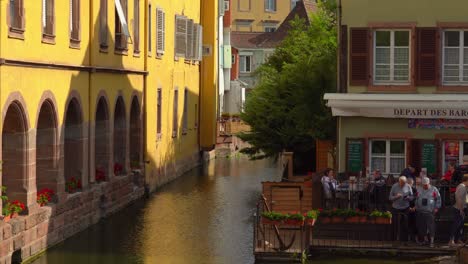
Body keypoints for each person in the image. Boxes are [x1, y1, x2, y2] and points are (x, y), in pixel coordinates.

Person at [413, 177, 441, 248]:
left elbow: (438, 199)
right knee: (422, 226)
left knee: (431, 226)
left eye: (426, 185)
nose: (425, 186)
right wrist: (416, 206)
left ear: (429, 183)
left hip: (430, 211)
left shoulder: (434, 189)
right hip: (420, 211)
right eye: (424, 185)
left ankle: (431, 241)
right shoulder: (419, 189)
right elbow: (416, 198)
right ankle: (425, 240)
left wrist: (437, 208)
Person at [389, 176, 413, 242]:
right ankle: (394, 239)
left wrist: (408, 198)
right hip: (396, 207)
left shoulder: (408, 186)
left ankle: (404, 240)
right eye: (401, 183)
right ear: (399, 181)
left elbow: (412, 197)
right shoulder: (394, 186)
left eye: (404, 183)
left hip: (405, 207)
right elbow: (390, 198)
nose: (403, 184)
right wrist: (396, 197)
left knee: (405, 224)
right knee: (395, 224)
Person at [448, 175, 468, 247]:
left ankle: (457, 239)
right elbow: (458, 198)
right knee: (456, 225)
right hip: (458, 209)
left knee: (460, 225)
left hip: (462, 208)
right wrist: (461, 209)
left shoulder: (464, 187)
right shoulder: (462, 187)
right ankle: (451, 240)